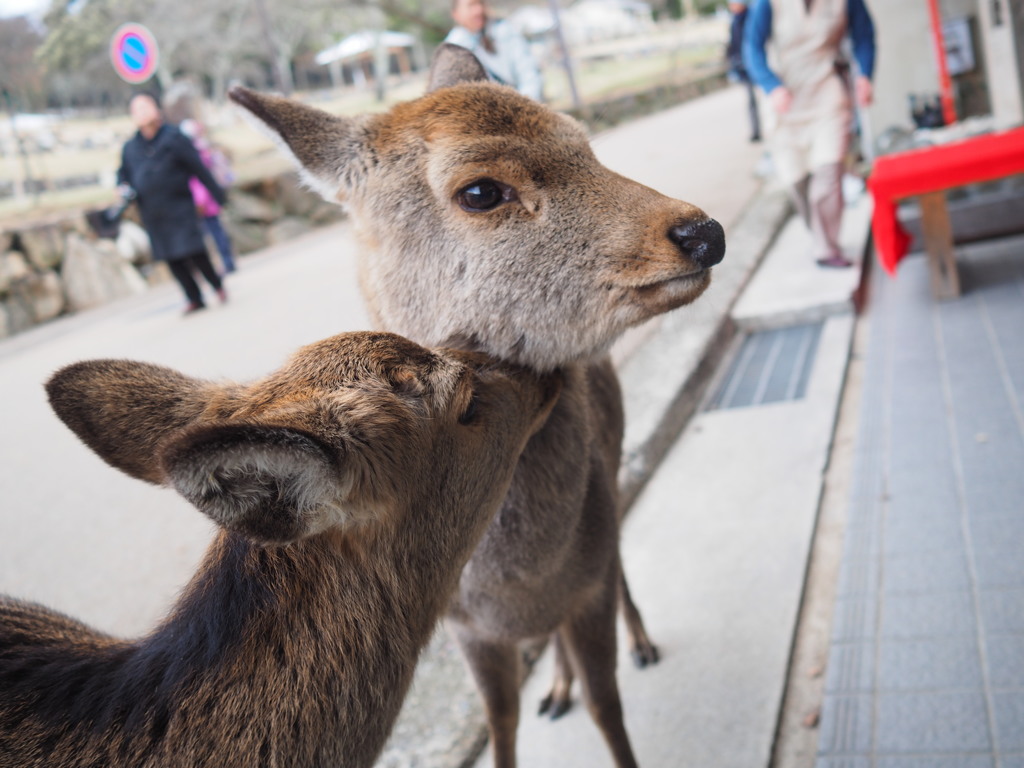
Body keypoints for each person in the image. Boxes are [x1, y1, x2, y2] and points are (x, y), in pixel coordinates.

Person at [743, 0, 875, 268]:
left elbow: (864, 36)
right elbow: (751, 48)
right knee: (796, 179)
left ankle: (826, 249)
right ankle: (820, 238)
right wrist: (771, 85)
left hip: (828, 92)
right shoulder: (766, 4)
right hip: (784, 99)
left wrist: (865, 75)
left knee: (828, 174)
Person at [117, 92, 228, 314]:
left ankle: (216, 284)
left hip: (179, 205)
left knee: (194, 250)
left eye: (145, 107)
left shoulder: (174, 137)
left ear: (156, 110)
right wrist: (122, 188)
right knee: (170, 256)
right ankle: (194, 297)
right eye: (136, 109)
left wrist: (217, 194)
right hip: (152, 211)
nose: (141, 113)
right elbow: (122, 175)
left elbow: (198, 168)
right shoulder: (130, 147)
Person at [445, 0, 543, 101]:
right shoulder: (452, 48)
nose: (478, 10)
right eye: (471, 5)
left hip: (521, 104)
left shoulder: (504, 30)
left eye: (480, 3)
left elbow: (529, 74)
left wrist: (524, 106)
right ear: (456, 14)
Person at [180, 118, 237, 274]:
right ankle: (226, 262)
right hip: (208, 199)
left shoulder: (194, 153)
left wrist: (200, 201)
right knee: (217, 233)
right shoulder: (205, 149)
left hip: (202, 202)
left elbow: (198, 180)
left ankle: (224, 263)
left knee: (211, 235)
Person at [726, 1, 762, 143]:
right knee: (751, 101)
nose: (732, 6)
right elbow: (733, 44)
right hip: (743, 67)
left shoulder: (753, 16)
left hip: (756, 64)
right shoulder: (734, 21)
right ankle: (756, 130)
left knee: (765, 97)